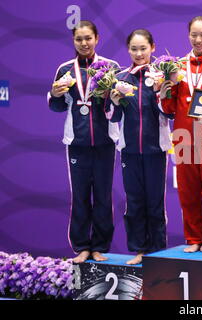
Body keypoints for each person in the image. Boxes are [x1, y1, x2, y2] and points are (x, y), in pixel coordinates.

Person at [48, 20, 119, 264]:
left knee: (103, 196)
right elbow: (58, 106)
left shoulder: (111, 67)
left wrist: (114, 96)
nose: (84, 43)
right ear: (73, 41)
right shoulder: (65, 69)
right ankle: (81, 247)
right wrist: (55, 95)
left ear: (97, 38)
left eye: (88, 38)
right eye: (79, 39)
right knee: (79, 196)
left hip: (105, 142)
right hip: (77, 142)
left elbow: (118, 105)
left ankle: (99, 246)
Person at [159, 16, 202, 253]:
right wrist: (165, 92)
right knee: (187, 190)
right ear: (188, 36)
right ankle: (193, 237)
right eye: (193, 35)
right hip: (183, 136)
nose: (198, 40)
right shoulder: (176, 65)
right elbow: (168, 109)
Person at [108, 29, 171, 265]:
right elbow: (113, 118)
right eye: (134, 49)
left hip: (156, 150)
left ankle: (157, 254)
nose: (139, 53)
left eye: (143, 48)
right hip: (130, 151)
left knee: (155, 203)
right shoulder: (121, 77)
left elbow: (169, 112)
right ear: (128, 50)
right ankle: (138, 250)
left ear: (153, 47)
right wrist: (113, 103)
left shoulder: (162, 76)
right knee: (134, 201)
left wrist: (160, 95)